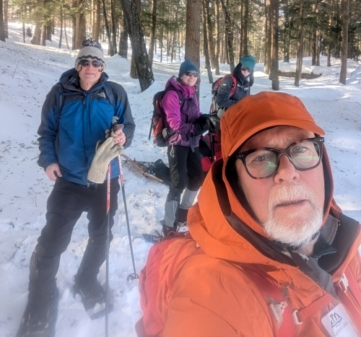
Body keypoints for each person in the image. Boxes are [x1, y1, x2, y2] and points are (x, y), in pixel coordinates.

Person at [148, 92, 361, 336]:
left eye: (301, 149)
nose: (287, 172)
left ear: (323, 163)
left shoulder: (346, 246)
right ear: (234, 184)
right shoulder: (215, 292)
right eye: (260, 158)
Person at [17, 39, 135, 337]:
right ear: (77, 64)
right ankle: (40, 302)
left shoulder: (114, 92)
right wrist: (48, 161)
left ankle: (86, 279)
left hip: (105, 178)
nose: (90, 68)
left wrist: (123, 137)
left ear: (102, 67)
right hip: (69, 181)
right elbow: (47, 132)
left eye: (96, 63)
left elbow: (129, 126)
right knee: (52, 241)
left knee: (101, 236)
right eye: (84, 62)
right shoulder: (59, 94)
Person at [161, 60, 218, 236]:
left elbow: (196, 115)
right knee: (178, 184)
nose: (192, 77)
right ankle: (168, 225)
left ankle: (182, 215)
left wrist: (206, 119)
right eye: (188, 74)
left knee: (196, 179)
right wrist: (197, 128)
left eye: (195, 74)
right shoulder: (172, 95)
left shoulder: (192, 92)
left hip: (192, 142)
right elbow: (175, 124)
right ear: (181, 75)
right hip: (177, 142)